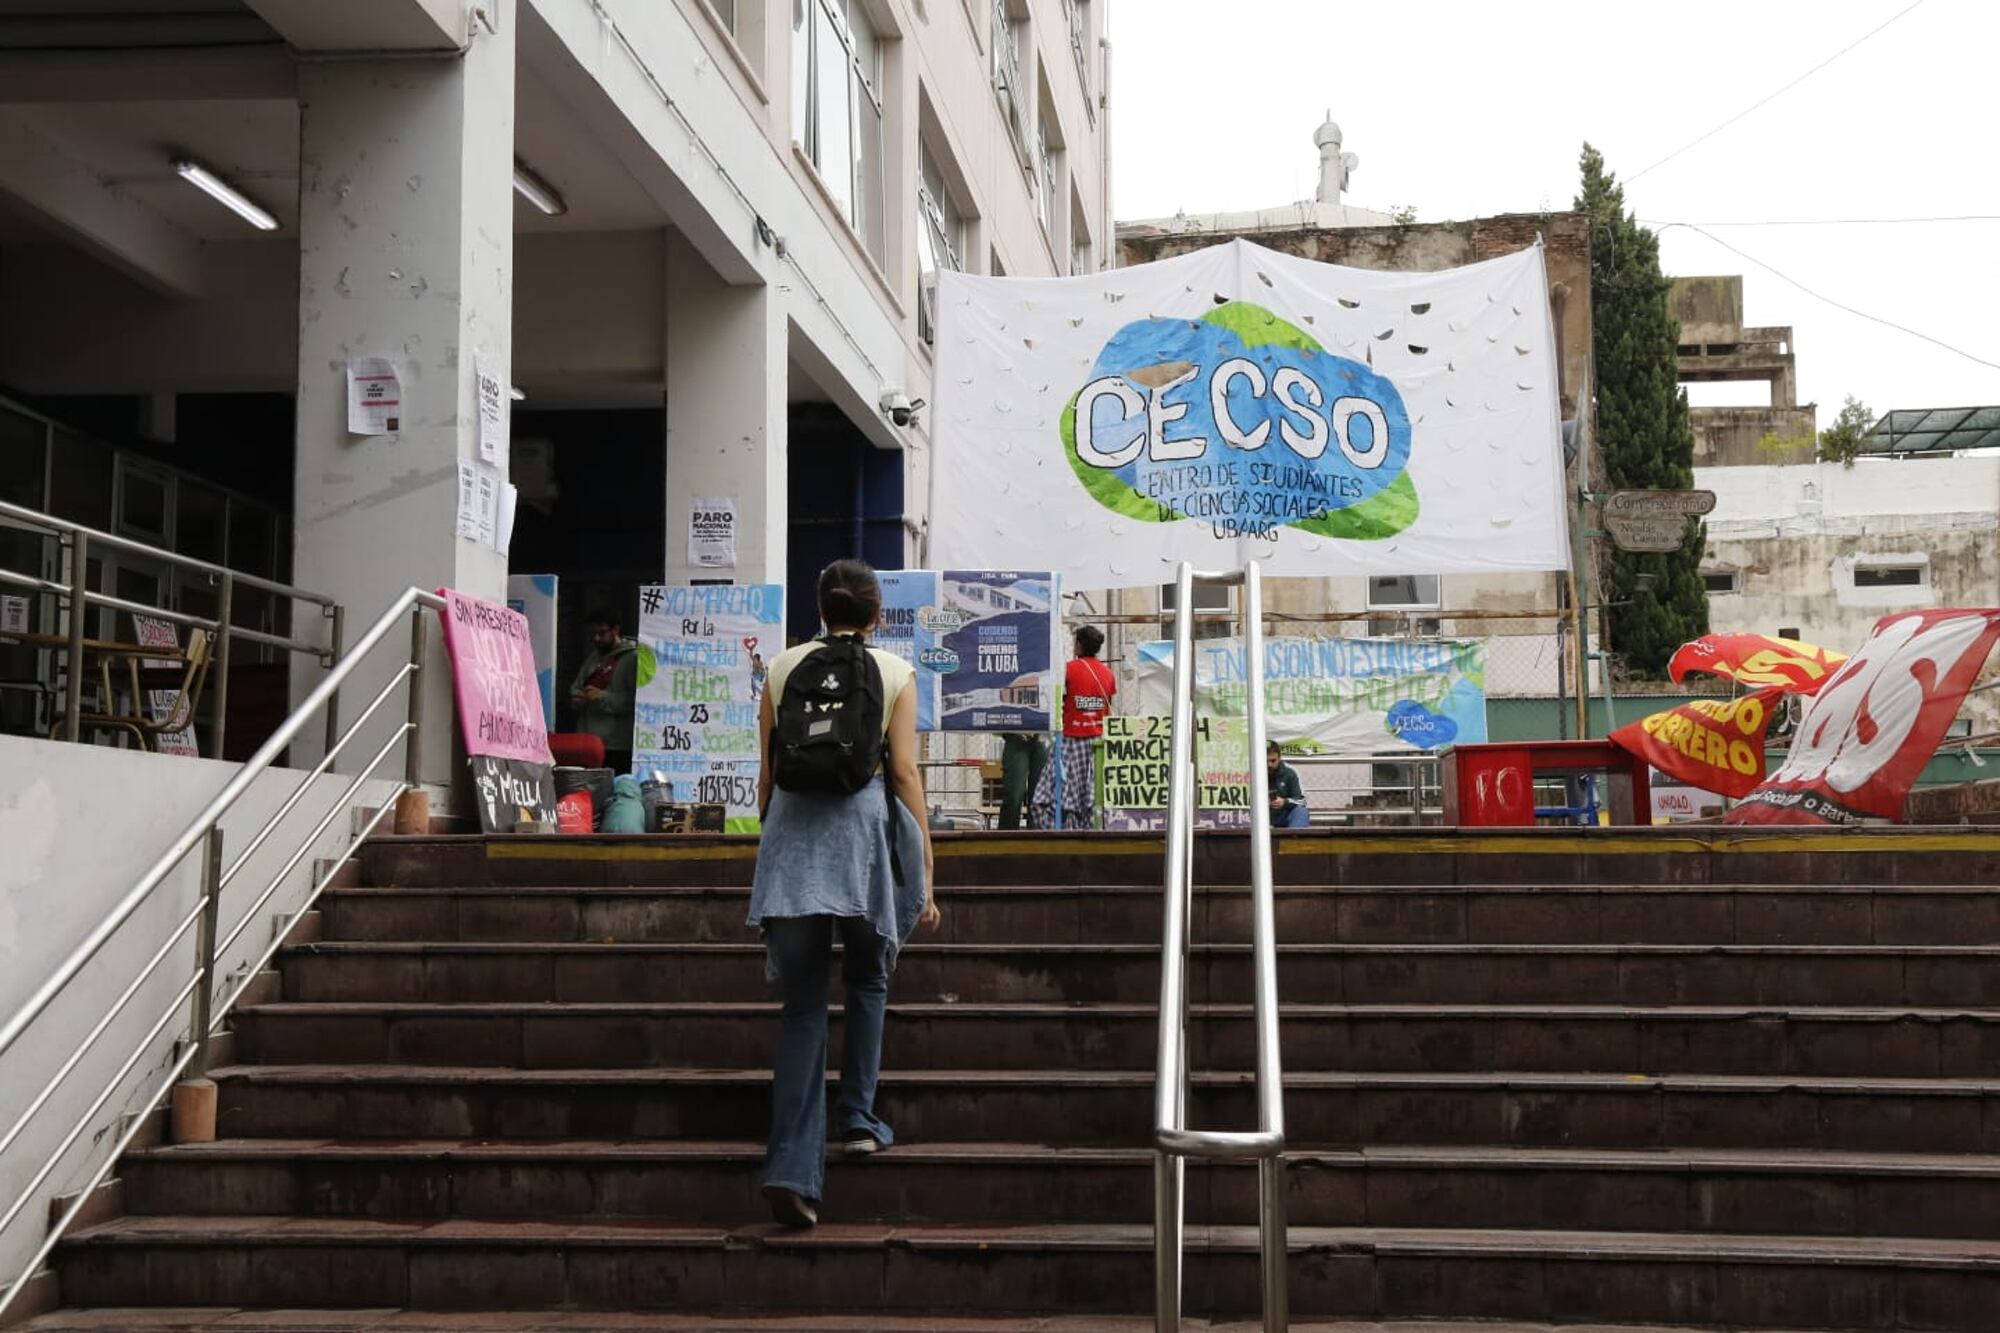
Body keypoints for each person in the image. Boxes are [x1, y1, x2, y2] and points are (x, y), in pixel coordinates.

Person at [749, 560, 939, 1230]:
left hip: (792, 845)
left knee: (802, 1009)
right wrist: (927, 871)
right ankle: (858, 1119)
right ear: (876, 613)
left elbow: (768, 776)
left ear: (820, 607)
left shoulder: (780, 668)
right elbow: (907, 775)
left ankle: (792, 1171)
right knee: (867, 981)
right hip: (863, 845)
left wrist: (768, 855)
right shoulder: (894, 673)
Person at [1030, 625, 1115, 829]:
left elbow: (1059, 699)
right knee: (1091, 794)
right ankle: (1091, 829)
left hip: (1070, 740)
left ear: (1080, 645)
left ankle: (1061, 830)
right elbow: (1106, 705)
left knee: (1056, 792)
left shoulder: (1068, 670)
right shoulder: (1108, 674)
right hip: (1098, 742)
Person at [570, 610, 639, 774]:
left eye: (601, 633)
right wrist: (578, 698)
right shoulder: (593, 658)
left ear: (615, 630)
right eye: (593, 634)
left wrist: (601, 697)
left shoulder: (633, 659)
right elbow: (577, 687)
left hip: (617, 744)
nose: (596, 639)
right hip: (588, 741)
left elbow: (636, 701)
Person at [997, 732, 1047, 830]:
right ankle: (1006, 840)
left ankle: (1039, 838)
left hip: (1043, 736)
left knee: (1039, 796)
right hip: (1016, 736)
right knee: (1014, 794)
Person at [1267, 740, 1310, 829]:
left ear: (1279, 758)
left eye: (1273, 760)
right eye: (1265, 761)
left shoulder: (1290, 772)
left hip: (1283, 815)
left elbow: (1302, 801)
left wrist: (1284, 802)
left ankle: (1293, 841)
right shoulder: (1249, 772)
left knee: (1301, 812)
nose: (1269, 764)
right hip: (1257, 816)